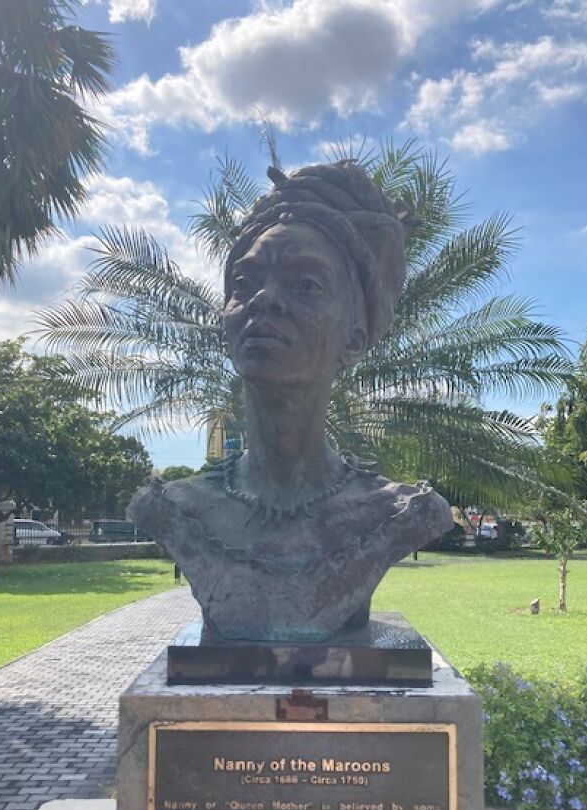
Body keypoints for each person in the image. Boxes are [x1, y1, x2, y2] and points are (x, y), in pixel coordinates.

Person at [129, 162, 452, 642]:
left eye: (307, 285)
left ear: (356, 338)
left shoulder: (400, 513)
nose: (264, 300)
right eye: (243, 284)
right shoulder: (174, 508)